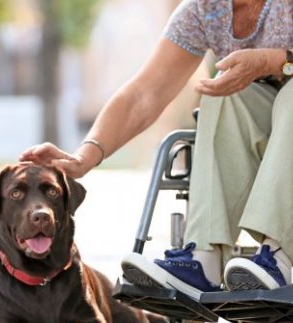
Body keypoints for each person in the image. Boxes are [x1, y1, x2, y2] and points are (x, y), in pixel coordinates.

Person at [20, 0, 293, 299]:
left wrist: (277, 61)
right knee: (222, 92)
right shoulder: (204, 11)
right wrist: (85, 157)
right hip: (272, 131)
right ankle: (204, 260)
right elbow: (144, 93)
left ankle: (276, 258)